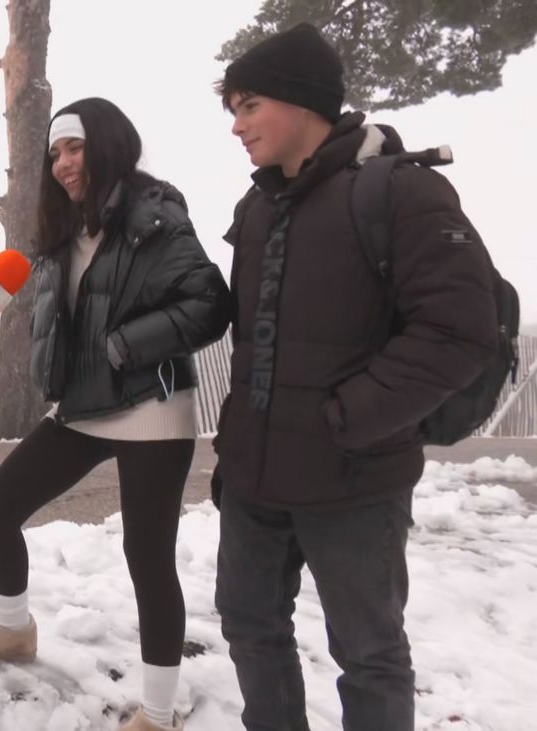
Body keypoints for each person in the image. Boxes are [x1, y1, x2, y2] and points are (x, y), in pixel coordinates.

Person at [211, 23, 498, 731]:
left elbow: (460, 330)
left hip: (356, 480)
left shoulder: (401, 193)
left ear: (303, 100)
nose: (238, 126)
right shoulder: (256, 207)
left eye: (250, 106)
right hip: (255, 481)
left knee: (368, 651)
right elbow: (252, 339)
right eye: (233, 110)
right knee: (250, 630)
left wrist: (348, 420)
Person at [0, 97, 232, 731]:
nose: (65, 164)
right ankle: (12, 630)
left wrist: (129, 344)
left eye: (76, 148)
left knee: (147, 554)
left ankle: (157, 712)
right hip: (86, 403)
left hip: (151, 401)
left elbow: (209, 303)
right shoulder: (64, 230)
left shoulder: (154, 215)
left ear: (110, 144)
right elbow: (37, 299)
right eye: (56, 153)